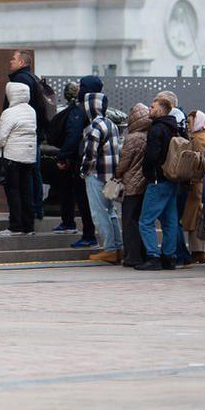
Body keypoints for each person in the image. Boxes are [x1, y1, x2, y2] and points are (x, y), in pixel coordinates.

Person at [135, 97, 182, 271]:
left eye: (152, 106)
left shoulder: (156, 129)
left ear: (161, 110)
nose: (149, 108)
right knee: (170, 221)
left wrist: (147, 172)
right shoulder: (174, 127)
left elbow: (151, 155)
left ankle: (153, 257)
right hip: (172, 179)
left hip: (157, 179)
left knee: (145, 221)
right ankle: (169, 258)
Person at [55, 74, 102, 247]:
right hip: (100, 162)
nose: (79, 90)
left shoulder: (81, 109)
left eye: (82, 86)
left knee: (83, 200)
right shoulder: (100, 108)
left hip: (82, 161)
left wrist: (63, 156)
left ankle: (89, 235)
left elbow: (73, 136)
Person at [79, 89, 123, 263]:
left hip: (97, 174)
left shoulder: (94, 127)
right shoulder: (111, 124)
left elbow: (90, 154)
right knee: (110, 211)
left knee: (99, 213)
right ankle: (118, 247)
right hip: (112, 176)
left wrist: (83, 171)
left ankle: (109, 249)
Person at [6, 49, 50, 220]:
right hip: (35, 133)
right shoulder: (33, 78)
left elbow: (12, 111)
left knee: (25, 175)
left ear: (22, 63)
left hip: (23, 136)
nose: (10, 61)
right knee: (34, 171)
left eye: (13, 59)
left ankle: (29, 211)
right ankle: (36, 208)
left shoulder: (20, 81)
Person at [0, 80, 38, 236]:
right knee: (26, 191)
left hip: (12, 157)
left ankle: (15, 226)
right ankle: (28, 226)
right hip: (28, 157)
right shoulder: (31, 111)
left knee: (13, 192)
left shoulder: (9, 112)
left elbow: (1, 137)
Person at [113, 103, 150, 268]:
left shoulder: (133, 138)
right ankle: (143, 253)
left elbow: (124, 162)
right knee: (140, 220)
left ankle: (132, 256)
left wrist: (117, 174)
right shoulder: (150, 134)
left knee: (129, 222)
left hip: (131, 185)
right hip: (145, 184)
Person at [181, 110, 205, 263]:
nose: (187, 125)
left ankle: (198, 251)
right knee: (194, 217)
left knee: (194, 218)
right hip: (197, 183)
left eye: (190, 121)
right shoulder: (199, 136)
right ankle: (198, 251)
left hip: (196, 184)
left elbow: (199, 163)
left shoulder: (199, 139)